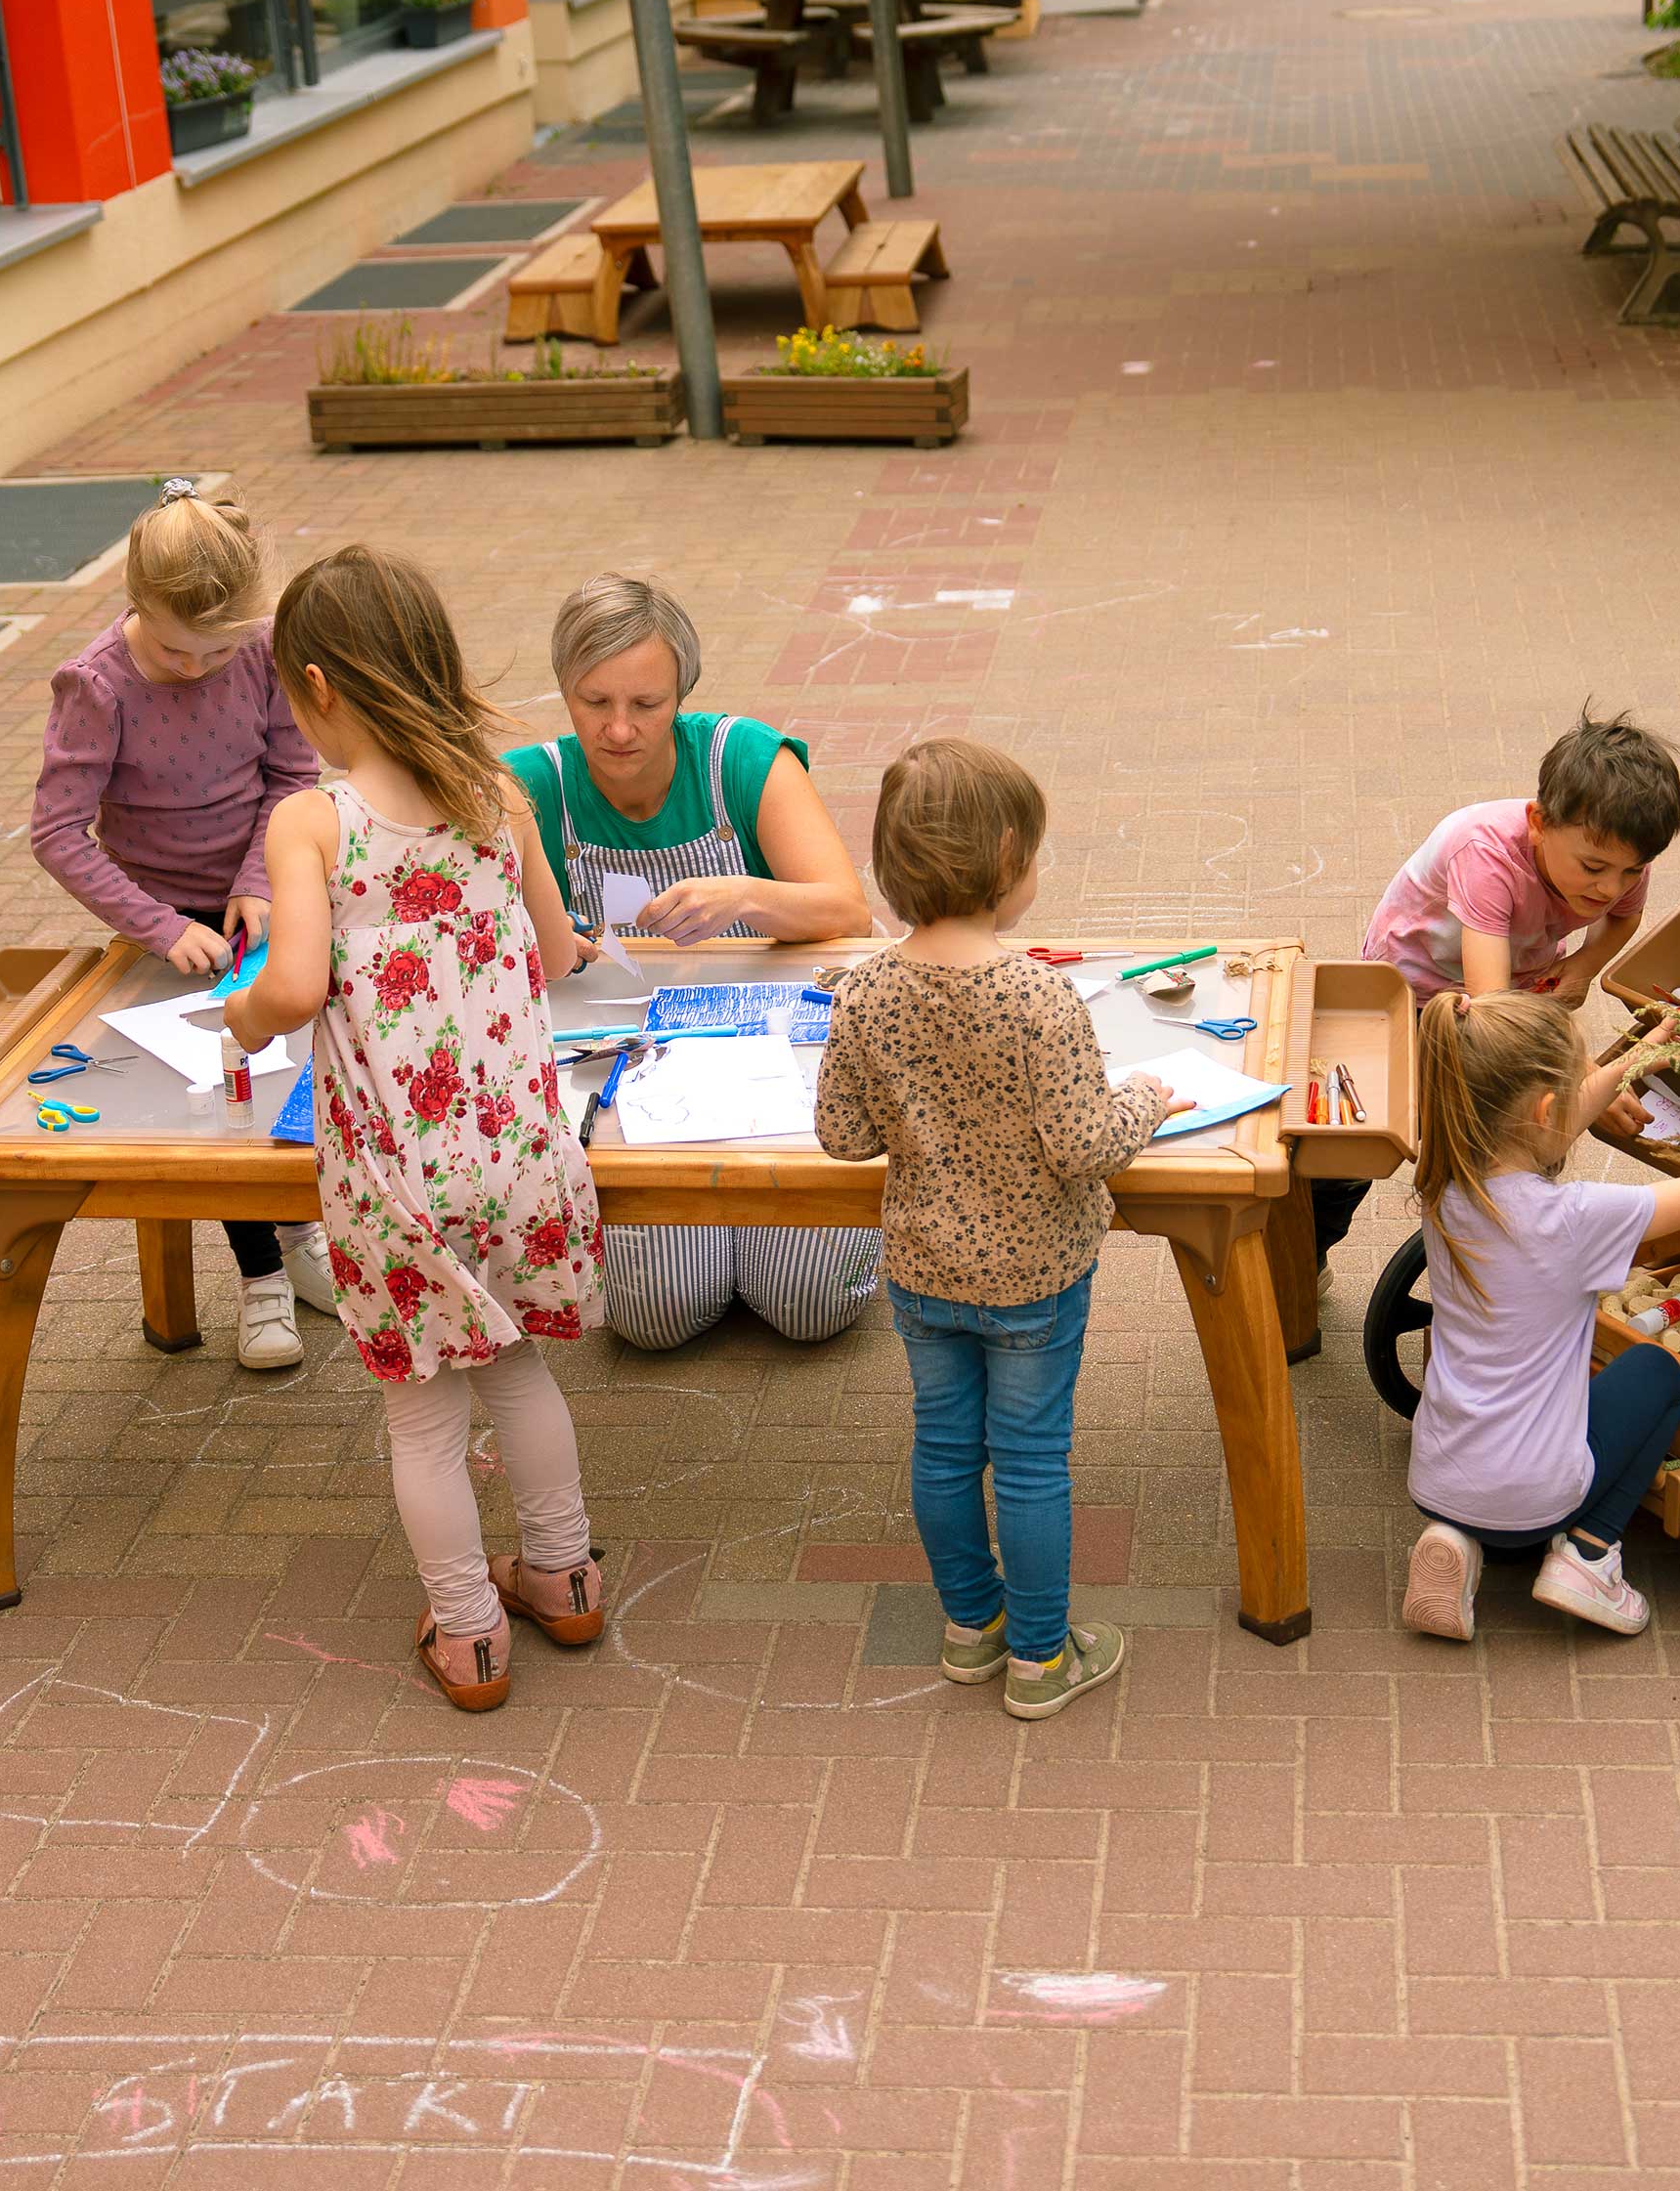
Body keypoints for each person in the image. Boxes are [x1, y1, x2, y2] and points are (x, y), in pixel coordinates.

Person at [227, 544, 606, 1713]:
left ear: (323, 687)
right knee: (522, 1371)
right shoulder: (502, 794)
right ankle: (566, 1580)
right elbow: (554, 953)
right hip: (524, 1153)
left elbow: (290, 989)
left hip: (399, 1179)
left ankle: (471, 1635)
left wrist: (242, 1020)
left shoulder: (315, 823)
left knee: (423, 1412)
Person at [813, 739, 1187, 1722]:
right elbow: (1082, 1146)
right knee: (1028, 1460)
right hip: (1035, 1276)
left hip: (924, 1270)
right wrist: (1145, 1099)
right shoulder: (1039, 997)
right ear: (1010, 857)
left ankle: (969, 1632)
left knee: (943, 1448)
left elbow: (842, 1135)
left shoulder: (864, 990)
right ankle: (1040, 1657)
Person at [505, 575, 883, 1352]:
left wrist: (746, 895)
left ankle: (806, 1233)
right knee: (655, 1320)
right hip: (626, 1085)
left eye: (645, 705)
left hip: (776, 1065)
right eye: (593, 702)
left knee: (810, 1307)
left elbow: (848, 911)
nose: (617, 730)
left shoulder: (740, 757)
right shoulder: (528, 785)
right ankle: (716, 1247)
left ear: (682, 689)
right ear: (563, 691)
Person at [29, 478, 333, 1369]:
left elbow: (290, 774)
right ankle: (261, 1277)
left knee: (302, 1066)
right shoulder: (96, 686)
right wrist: (161, 927)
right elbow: (55, 832)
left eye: (217, 649)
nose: (196, 668)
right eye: (174, 650)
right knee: (223, 1098)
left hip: (269, 891)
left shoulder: (262, 648)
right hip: (170, 925)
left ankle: (308, 1239)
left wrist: (259, 878)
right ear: (135, 603)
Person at [1399, 989, 1680, 1642]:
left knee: (1488, 1470)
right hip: (1538, 1493)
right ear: (1546, 1109)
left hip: (1438, 1474)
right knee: (1658, 1372)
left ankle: (1456, 1538)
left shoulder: (1446, 1182)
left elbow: (1545, 1126)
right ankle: (1589, 1554)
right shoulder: (1573, 1217)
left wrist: (1644, 1051)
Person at [1314, 707, 1680, 1273]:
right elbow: (1492, 1015)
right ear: (1538, 823)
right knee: (1361, 1143)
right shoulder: (1484, 851)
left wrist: (1585, 964)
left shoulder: (1620, 850)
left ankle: (1504, 1231)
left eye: (1631, 873)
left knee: (1518, 1127)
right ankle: (1308, 1254)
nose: (1611, 887)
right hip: (1414, 991)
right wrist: (1585, 1077)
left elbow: (1622, 919)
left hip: (1512, 988)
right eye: (1594, 868)